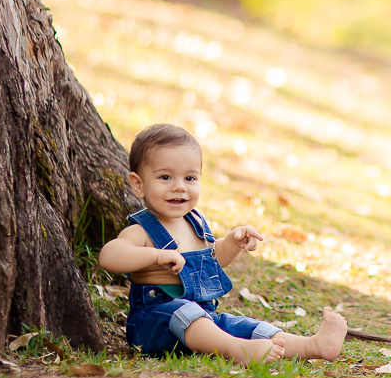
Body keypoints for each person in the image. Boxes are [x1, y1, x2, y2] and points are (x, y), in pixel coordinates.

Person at [98, 123, 347, 364]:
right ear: (138, 184)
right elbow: (109, 255)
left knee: (245, 326)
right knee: (187, 313)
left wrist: (232, 242)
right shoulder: (143, 229)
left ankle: (312, 346)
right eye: (165, 177)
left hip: (205, 317)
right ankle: (234, 350)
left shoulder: (196, 225)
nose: (179, 187)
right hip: (155, 322)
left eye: (190, 178)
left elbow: (214, 262)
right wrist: (154, 256)